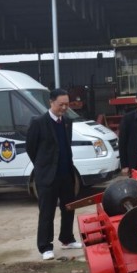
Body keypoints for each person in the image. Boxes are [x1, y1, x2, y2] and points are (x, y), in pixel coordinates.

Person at [26, 88, 82, 261]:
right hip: (47, 176)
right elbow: (31, 148)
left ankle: (67, 239)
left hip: (66, 173)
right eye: (60, 104)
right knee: (47, 212)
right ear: (51, 102)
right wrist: (43, 166)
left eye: (67, 104)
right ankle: (45, 246)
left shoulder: (67, 122)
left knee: (68, 208)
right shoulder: (38, 122)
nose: (64, 108)